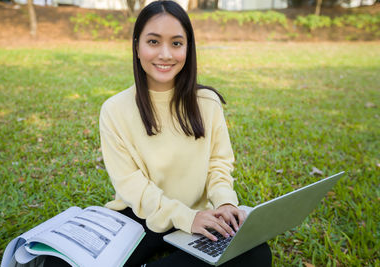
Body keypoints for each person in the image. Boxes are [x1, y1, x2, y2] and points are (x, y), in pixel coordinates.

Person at [45, 1, 272, 266]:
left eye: (176, 43)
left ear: (188, 48)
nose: (165, 54)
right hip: (141, 215)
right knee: (58, 262)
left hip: (200, 214)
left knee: (255, 253)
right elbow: (131, 184)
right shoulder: (114, 109)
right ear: (137, 46)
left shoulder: (207, 102)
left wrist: (224, 204)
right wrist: (184, 217)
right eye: (153, 42)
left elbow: (218, 166)